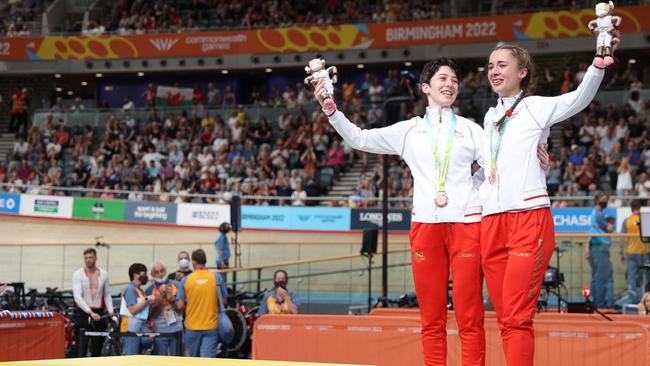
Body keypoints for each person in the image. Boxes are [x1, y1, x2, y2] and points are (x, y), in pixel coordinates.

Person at [314, 58, 487, 366]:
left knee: (469, 315)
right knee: (431, 317)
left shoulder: (473, 130)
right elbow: (360, 138)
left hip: (467, 225)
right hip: (425, 227)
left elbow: (494, 169)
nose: (450, 84)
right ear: (426, 88)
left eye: (455, 80)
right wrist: (331, 110)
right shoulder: (409, 131)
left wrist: (473, 187)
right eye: (443, 79)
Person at [478, 41, 615, 366]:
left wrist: (597, 64)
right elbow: (489, 164)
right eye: (490, 65)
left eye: (501, 65)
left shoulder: (537, 107)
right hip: (491, 222)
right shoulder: (489, 117)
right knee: (504, 317)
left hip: (528, 218)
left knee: (516, 317)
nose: (493, 71)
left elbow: (579, 98)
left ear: (522, 72)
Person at [176, 249, 228, 358]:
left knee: (193, 361)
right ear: (205, 261)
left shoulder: (186, 280)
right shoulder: (216, 278)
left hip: (191, 328)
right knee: (207, 361)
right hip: (211, 327)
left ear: (193, 263)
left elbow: (179, 306)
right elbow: (224, 301)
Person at [72, 248, 114, 357]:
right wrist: (90, 312)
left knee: (97, 346)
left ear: (95, 258)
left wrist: (111, 312)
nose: (88, 260)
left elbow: (107, 294)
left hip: (98, 311)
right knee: (81, 345)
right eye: (86, 258)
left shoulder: (104, 274)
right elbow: (77, 296)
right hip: (83, 311)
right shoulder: (78, 274)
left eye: (90, 257)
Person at [146, 262, 183, 356]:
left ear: (165, 271)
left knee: (177, 360)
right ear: (152, 275)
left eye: (162, 271)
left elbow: (180, 308)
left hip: (176, 329)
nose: (160, 274)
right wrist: (161, 298)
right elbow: (150, 314)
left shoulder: (176, 285)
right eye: (156, 272)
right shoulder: (150, 290)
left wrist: (172, 300)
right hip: (160, 330)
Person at [120, 263, 156, 355]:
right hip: (130, 330)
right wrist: (147, 299)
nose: (146, 276)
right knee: (131, 360)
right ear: (135, 275)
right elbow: (133, 310)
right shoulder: (131, 289)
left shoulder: (140, 291)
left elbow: (143, 312)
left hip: (140, 329)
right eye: (144, 273)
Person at [588, 192, 615, 308]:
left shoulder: (595, 213)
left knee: (596, 276)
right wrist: (611, 223)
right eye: (604, 199)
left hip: (596, 245)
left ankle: (595, 301)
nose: (606, 201)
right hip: (600, 245)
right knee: (602, 276)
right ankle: (601, 303)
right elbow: (609, 229)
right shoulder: (598, 214)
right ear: (597, 200)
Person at [621, 201, 649, 304]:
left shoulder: (627, 221)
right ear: (640, 208)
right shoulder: (645, 220)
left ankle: (632, 298)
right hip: (644, 251)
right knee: (644, 275)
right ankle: (644, 298)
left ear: (631, 208)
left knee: (631, 276)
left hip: (631, 252)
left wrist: (621, 252)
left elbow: (622, 238)